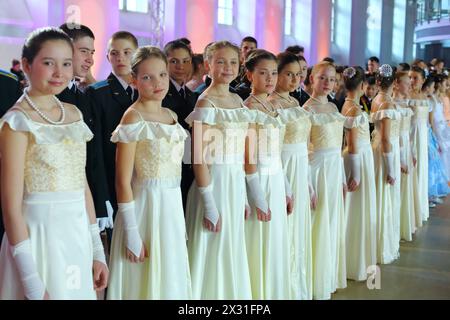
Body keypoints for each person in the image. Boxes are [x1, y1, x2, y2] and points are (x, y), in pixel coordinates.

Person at [0, 27, 108, 300]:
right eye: (48, 63)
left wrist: (97, 250)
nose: (59, 72)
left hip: (76, 232)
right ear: (26, 65)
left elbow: (81, 184)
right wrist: (30, 279)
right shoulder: (17, 121)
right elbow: (11, 207)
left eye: (66, 64)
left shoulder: (73, 113)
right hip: (36, 235)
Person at [107, 46, 191, 299]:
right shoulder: (133, 118)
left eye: (162, 75)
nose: (158, 83)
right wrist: (132, 231)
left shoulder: (171, 115)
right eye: (147, 77)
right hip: (144, 206)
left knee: (169, 275)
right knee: (142, 278)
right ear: (134, 79)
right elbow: (122, 180)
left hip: (172, 204)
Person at [185, 41, 254, 299]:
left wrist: (245, 195)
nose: (227, 67)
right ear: (208, 65)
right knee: (210, 244)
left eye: (233, 62)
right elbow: (198, 158)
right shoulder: (205, 103)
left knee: (231, 246)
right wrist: (209, 203)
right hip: (213, 183)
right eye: (221, 61)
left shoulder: (237, 100)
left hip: (235, 182)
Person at [244, 49, 291, 300]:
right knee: (259, 236)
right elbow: (248, 157)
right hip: (259, 178)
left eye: (273, 73)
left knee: (274, 238)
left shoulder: (273, 104)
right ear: (250, 75)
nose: (270, 79)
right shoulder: (249, 107)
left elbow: (278, 152)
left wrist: (287, 187)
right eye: (263, 73)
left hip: (275, 175)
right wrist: (257, 196)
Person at [58, 23, 112, 233]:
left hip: (85, 198)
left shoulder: (85, 96)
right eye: (83, 51)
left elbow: (94, 152)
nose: (90, 59)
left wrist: (101, 198)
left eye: (92, 52)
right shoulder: (45, 98)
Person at [269, 52, 313, 300]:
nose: (295, 79)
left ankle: (296, 285)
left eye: (298, 74)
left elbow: (306, 145)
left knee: (298, 227)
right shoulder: (270, 104)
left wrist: (307, 182)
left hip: (300, 166)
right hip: (281, 166)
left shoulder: (296, 104)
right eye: (289, 74)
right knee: (284, 227)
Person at [303, 61, 347, 300]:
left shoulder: (333, 106)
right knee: (317, 221)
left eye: (331, 79)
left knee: (331, 221)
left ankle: (328, 274)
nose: (327, 83)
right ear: (312, 79)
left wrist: (341, 177)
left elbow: (338, 145)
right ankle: (314, 277)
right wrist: (308, 184)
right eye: (322, 78)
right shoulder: (307, 109)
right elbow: (305, 148)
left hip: (333, 167)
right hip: (317, 169)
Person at [87, 31, 139, 218]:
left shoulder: (146, 91)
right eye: (114, 53)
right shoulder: (97, 93)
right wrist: (102, 195)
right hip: (112, 178)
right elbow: (96, 149)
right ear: (107, 56)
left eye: (127, 52)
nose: (120, 58)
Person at [341, 66, 377, 281]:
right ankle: (351, 258)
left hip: (361, 155)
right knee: (355, 207)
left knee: (357, 207)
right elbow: (352, 144)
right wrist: (355, 174)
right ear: (362, 86)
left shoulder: (351, 105)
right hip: (357, 157)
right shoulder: (352, 109)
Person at [371, 64, 401, 264]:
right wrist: (391, 168)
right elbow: (386, 139)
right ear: (395, 83)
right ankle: (382, 244)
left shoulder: (376, 100)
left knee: (380, 196)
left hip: (377, 149)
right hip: (386, 153)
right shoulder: (387, 104)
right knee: (385, 197)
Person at [162, 40, 197, 210]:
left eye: (185, 61)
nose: (180, 66)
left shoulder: (193, 95)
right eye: (174, 61)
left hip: (190, 160)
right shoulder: (160, 92)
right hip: (169, 161)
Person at [393, 71, 416, 241]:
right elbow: (397, 134)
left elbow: (408, 134)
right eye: (407, 83)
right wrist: (401, 158)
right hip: (398, 148)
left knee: (406, 185)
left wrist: (412, 152)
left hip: (407, 147)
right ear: (396, 84)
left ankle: (403, 223)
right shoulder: (393, 105)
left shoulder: (407, 104)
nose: (410, 85)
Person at [408, 66, 430, 226]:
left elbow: (426, 123)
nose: (412, 81)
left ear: (423, 80)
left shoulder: (425, 97)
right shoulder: (405, 96)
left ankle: (420, 207)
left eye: (415, 77)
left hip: (422, 137)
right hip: (410, 136)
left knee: (422, 170)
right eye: (410, 77)